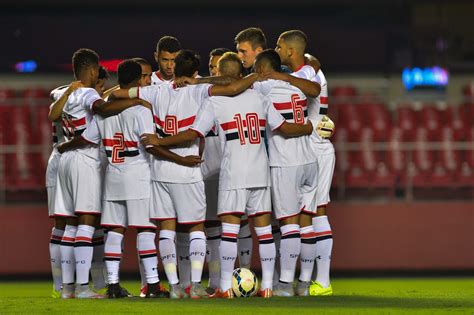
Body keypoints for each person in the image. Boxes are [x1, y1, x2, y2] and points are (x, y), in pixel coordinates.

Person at [142, 52, 314, 299]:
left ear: (220, 76)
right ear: (241, 74)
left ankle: (224, 286)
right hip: (260, 170)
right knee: (263, 231)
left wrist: (161, 140)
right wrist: (308, 127)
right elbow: (283, 127)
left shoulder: (215, 101)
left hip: (234, 171)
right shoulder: (259, 97)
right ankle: (267, 286)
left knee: (229, 231)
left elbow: (193, 133)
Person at [57, 59, 168, 298]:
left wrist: (65, 146)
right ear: (139, 80)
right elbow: (150, 144)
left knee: (114, 232)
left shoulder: (105, 109)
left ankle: (114, 284)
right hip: (138, 175)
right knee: (146, 230)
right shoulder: (140, 109)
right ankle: (152, 284)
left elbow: (86, 139)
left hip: (113, 176)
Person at [251, 49, 320, 297]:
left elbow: (231, 84)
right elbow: (314, 67)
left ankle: (284, 284)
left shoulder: (264, 88)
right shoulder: (300, 83)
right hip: (310, 160)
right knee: (306, 224)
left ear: (261, 70)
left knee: (289, 224)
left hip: (286, 162)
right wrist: (308, 127)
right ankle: (304, 284)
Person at [276, 29, 335, 296]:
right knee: (304, 216)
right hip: (308, 146)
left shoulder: (308, 75)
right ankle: (306, 280)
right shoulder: (308, 70)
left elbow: (308, 77)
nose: (276, 51)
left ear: (291, 50)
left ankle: (320, 281)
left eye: (279, 46)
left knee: (315, 213)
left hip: (315, 147)